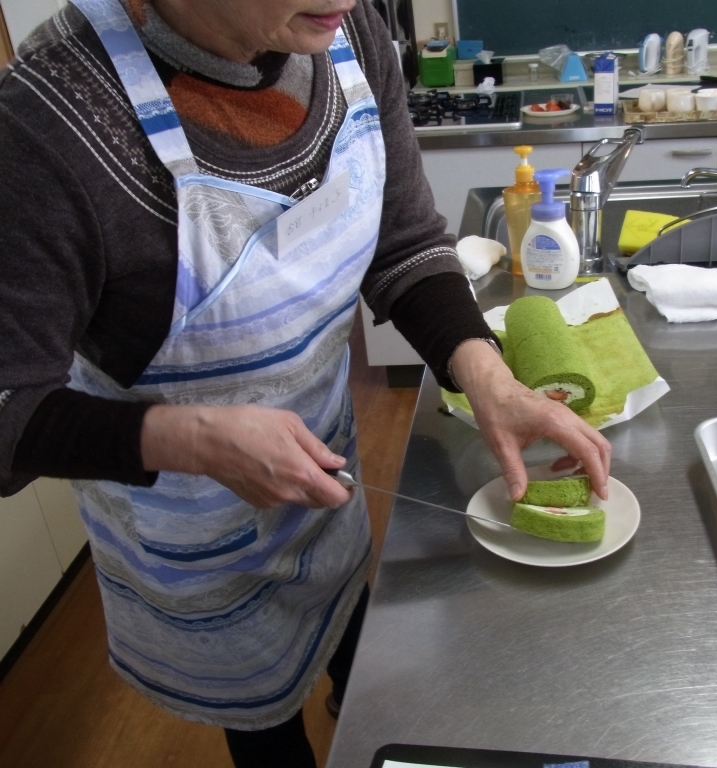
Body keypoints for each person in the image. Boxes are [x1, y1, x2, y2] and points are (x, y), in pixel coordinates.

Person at [0, 0, 611, 765]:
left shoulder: (339, 35)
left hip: (323, 464)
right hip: (191, 530)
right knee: (261, 723)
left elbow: (406, 240)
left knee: (356, 644)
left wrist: (484, 371)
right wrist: (187, 436)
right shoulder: (50, 123)